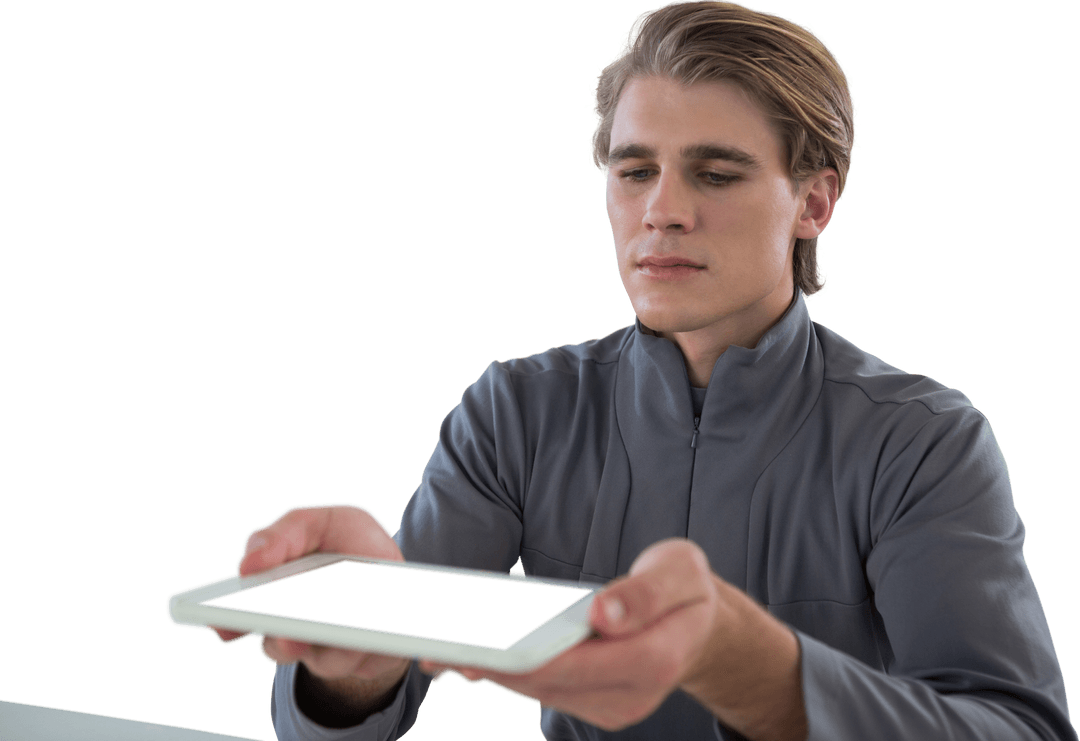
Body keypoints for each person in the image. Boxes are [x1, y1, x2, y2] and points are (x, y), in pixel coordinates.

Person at [212, 1, 1077, 739]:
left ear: (814, 200)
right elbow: (366, 700)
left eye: (715, 172)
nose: (661, 211)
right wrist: (358, 647)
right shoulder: (515, 409)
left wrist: (759, 670)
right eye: (635, 171)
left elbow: (1017, 725)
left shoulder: (921, 440)